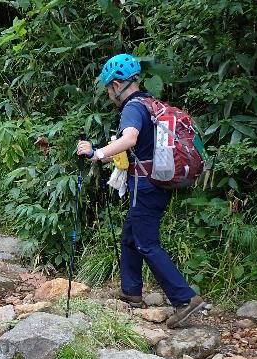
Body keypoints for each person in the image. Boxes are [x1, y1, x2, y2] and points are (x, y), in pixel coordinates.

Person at [76, 53, 204, 329]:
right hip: (154, 182)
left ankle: (185, 299)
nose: (109, 94)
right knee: (130, 237)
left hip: (145, 186)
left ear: (117, 84)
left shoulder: (132, 108)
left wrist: (96, 153)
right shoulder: (149, 103)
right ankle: (131, 291)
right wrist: (104, 155)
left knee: (146, 243)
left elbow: (129, 139)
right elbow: (137, 147)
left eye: (109, 88)